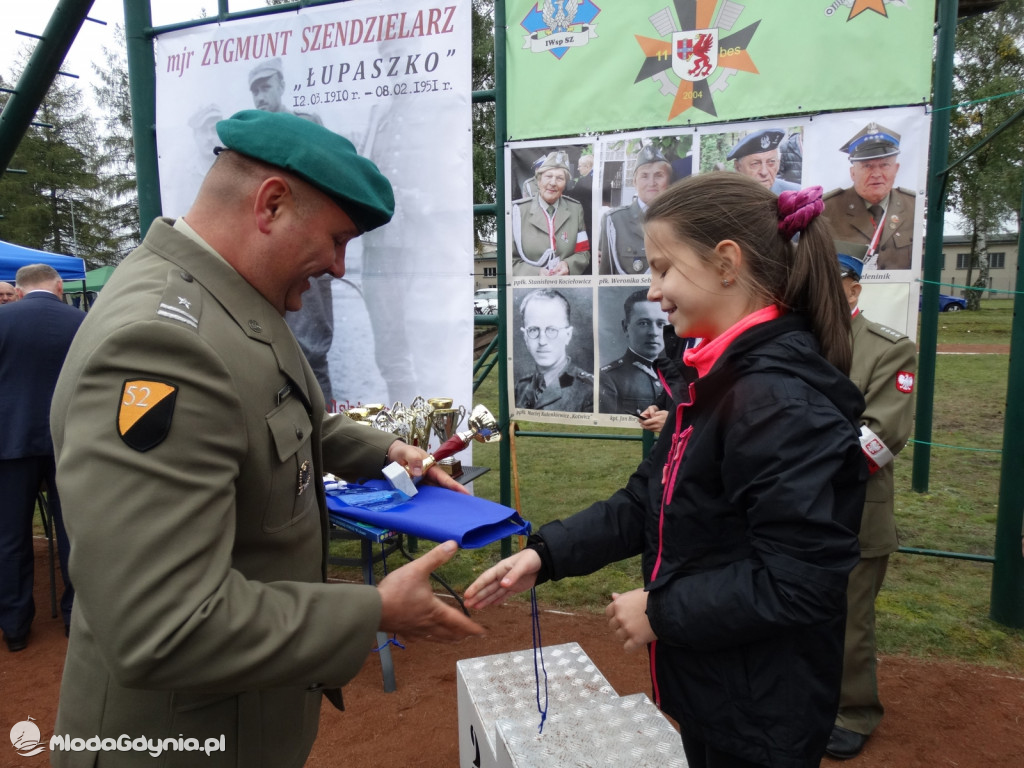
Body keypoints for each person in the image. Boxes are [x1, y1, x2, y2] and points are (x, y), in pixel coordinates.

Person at [48, 110, 483, 766]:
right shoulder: (161, 345)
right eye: (336, 239)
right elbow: (161, 624)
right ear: (271, 204)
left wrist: (386, 452)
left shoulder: (230, 299)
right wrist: (372, 611)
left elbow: (274, 413)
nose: (338, 266)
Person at [467, 173, 868, 768]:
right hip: (719, 689)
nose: (653, 292)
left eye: (662, 269)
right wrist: (546, 555)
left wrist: (661, 611)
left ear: (726, 263)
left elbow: (798, 581)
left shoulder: (773, 401)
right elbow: (647, 499)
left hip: (762, 711)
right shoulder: (716, 379)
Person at [826, 241, 917, 761]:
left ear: (853, 290)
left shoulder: (888, 349)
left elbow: (881, 438)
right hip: (789, 509)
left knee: (849, 618)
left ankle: (852, 712)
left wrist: (799, 469)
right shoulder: (797, 342)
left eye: (829, 283)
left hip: (855, 512)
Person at [0, 264, 83, 652]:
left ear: (18, 291)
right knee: (73, 533)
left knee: (10, 537)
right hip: (70, 441)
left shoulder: (3, 319)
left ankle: (15, 627)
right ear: (59, 286)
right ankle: (75, 616)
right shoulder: (80, 322)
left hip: (10, 442)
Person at [247, 58, 335, 407]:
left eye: (265, 87)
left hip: (306, 255)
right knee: (265, 354)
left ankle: (323, 433)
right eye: (254, 91)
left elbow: (329, 183)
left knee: (312, 351)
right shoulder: (251, 136)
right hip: (266, 259)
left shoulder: (307, 125)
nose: (260, 97)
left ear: (281, 85)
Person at [823, 122, 916, 271]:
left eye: (885, 165)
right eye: (867, 166)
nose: (877, 174)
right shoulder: (827, 209)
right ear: (853, 173)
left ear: (896, 169)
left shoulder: (914, 206)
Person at [511, 152, 591, 277]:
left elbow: (583, 253)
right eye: (548, 176)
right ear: (538, 181)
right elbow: (510, 259)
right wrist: (536, 273)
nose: (553, 183)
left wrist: (568, 265)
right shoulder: (518, 212)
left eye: (560, 178)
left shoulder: (575, 209)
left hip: (566, 285)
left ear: (565, 184)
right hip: (530, 287)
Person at [599, 144, 673, 275]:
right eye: (644, 176)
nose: (652, 183)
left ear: (668, 181)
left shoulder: (680, 219)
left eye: (659, 175)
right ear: (634, 182)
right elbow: (605, 277)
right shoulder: (614, 221)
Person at [514, 288, 593, 411]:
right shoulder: (521, 387)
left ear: (568, 335)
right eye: (533, 330)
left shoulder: (589, 389)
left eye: (552, 330)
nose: (542, 341)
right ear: (525, 336)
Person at [599, 289, 668, 415]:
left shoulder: (676, 371)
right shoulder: (609, 378)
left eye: (661, 324)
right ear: (626, 327)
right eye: (644, 323)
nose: (653, 332)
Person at [726, 128, 800, 194]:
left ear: (778, 163)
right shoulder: (727, 197)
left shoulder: (796, 194)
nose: (764, 172)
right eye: (755, 164)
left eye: (771, 162)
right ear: (738, 167)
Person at [572, 152, 595, 239]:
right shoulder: (597, 179)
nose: (578, 169)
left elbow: (573, 197)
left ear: (587, 167)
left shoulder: (583, 182)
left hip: (587, 218)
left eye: (579, 166)